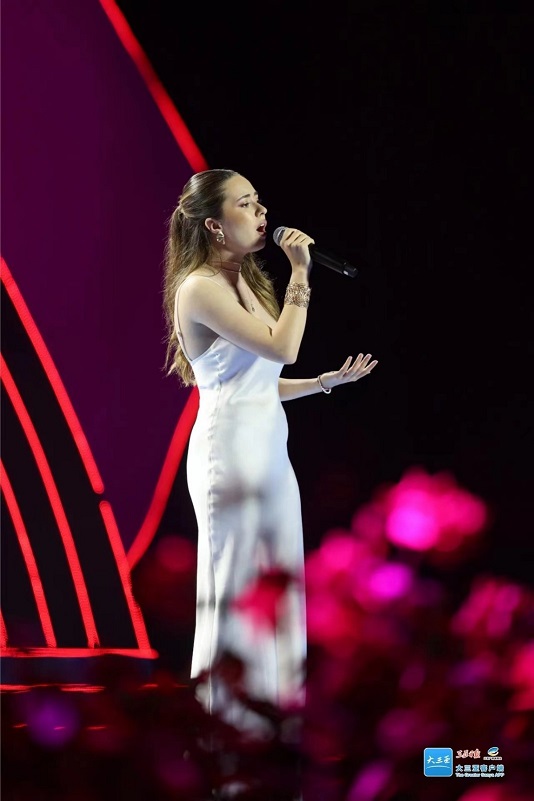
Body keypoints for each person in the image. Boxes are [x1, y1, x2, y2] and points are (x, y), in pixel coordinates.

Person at [162, 168, 377, 785]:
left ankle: (277, 731)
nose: (261, 213)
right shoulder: (198, 289)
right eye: (246, 204)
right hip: (228, 456)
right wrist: (302, 272)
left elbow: (260, 382)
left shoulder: (245, 282)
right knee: (235, 591)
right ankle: (224, 743)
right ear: (213, 224)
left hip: (269, 452)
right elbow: (283, 348)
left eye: (259, 202)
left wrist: (324, 383)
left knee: (278, 587)